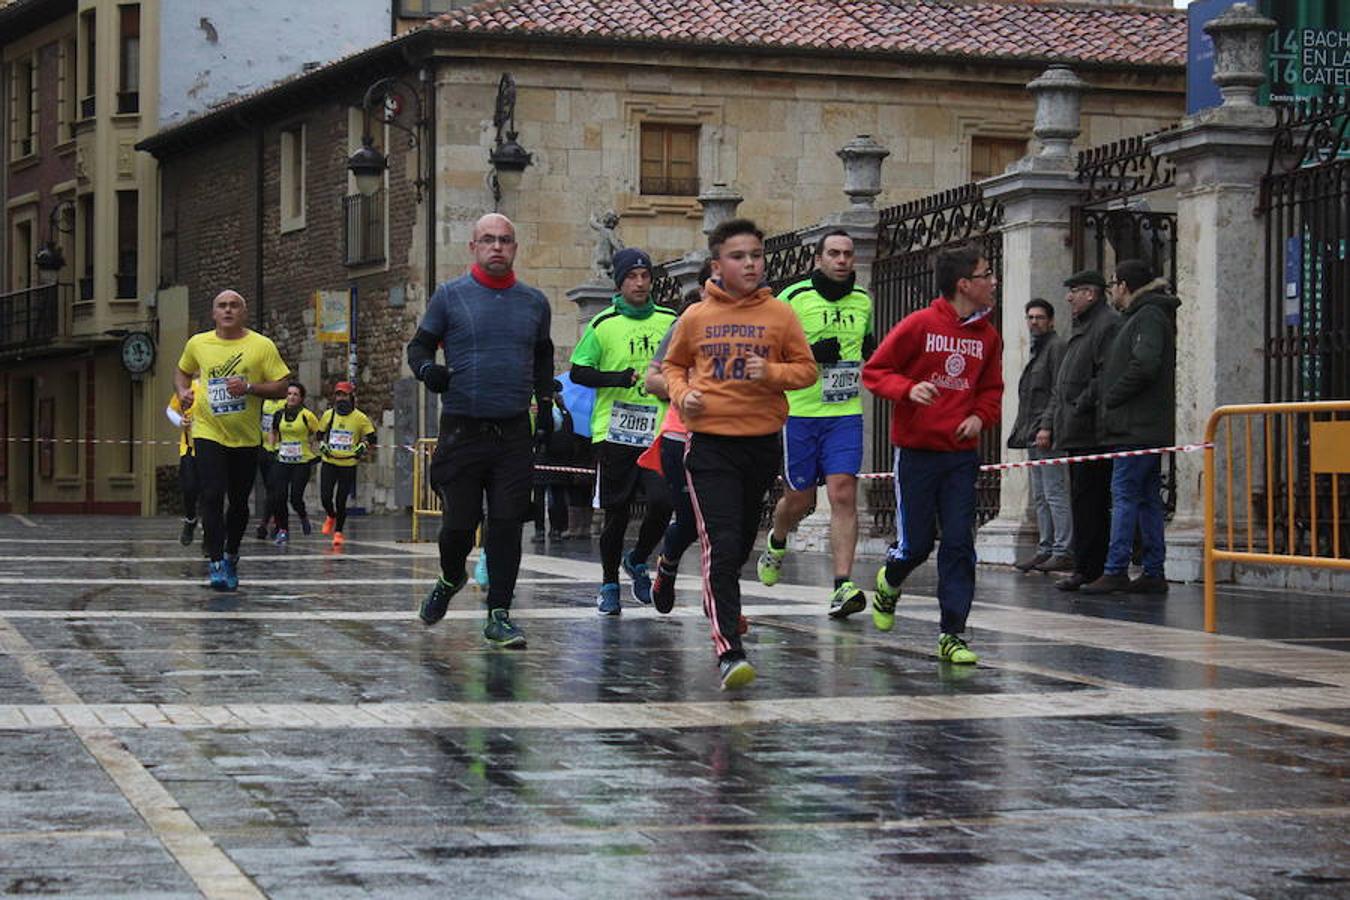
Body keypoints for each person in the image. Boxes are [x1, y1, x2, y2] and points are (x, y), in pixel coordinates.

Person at [662, 218, 817, 690]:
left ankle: (711, 603)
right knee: (722, 545)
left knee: (742, 542)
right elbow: (672, 365)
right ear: (717, 264)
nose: (750, 263)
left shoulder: (781, 315)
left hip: (760, 445)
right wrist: (681, 393)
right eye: (739, 256)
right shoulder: (695, 317)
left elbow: (807, 370)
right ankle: (729, 648)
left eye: (755, 255)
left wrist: (769, 372)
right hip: (710, 445)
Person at [407, 213, 553, 648]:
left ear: (515, 247)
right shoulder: (450, 296)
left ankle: (500, 614)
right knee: (459, 524)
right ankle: (451, 577)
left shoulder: (534, 303)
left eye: (505, 240)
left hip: (512, 432)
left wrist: (544, 405)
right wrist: (428, 369)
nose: (497, 247)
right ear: (472, 247)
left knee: (507, 523)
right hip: (462, 430)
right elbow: (418, 346)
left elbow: (543, 357)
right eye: (488, 240)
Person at [861, 242, 1003, 665]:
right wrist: (908, 389)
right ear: (964, 284)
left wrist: (980, 417)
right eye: (986, 274)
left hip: (960, 455)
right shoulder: (919, 325)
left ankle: (953, 633)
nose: (993, 281)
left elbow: (991, 389)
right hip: (917, 453)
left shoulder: (988, 335)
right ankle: (890, 579)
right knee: (917, 545)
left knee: (960, 543)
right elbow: (876, 372)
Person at [758, 230, 876, 618]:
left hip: (844, 413)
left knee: (843, 493)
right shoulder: (792, 299)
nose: (842, 260)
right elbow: (766, 354)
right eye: (834, 254)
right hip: (801, 414)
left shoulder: (863, 301)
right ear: (818, 259)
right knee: (801, 500)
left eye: (847, 254)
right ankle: (777, 540)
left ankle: (843, 584)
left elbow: (869, 346)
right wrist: (809, 355)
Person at [570, 247, 677, 615]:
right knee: (615, 512)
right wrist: (616, 378)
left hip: (659, 430)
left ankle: (638, 557)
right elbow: (578, 372)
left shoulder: (669, 320)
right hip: (614, 432)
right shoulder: (602, 324)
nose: (640, 283)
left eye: (646, 276)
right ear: (619, 282)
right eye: (632, 276)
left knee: (664, 502)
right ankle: (609, 583)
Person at [175, 289, 291, 590]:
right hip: (208, 431)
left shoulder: (261, 346)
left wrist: (250, 387)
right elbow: (182, 371)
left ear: (244, 312)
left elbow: (282, 385)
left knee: (238, 502)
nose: (228, 310)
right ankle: (215, 563)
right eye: (222, 306)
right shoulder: (198, 343)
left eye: (234, 306)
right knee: (211, 495)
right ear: (214, 313)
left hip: (245, 437)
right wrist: (183, 392)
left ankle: (231, 554)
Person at [1081, 259, 1178, 595]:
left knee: (1124, 495)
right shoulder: (1138, 317)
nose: (1112, 292)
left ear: (1123, 285)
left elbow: (1145, 364)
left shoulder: (1148, 316)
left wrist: (1112, 396)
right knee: (1147, 498)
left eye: (1112, 285)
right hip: (1139, 425)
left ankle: (1116, 568)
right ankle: (1153, 570)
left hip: (1136, 425)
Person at [1041, 270, 1121, 592]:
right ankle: (1084, 566)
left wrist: (1078, 406)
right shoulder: (1084, 327)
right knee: (1081, 500)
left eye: (1075, 291)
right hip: (1076, 428)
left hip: (1092, 429)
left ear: (1092, 293)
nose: (1069, 298)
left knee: (1092, 501)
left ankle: (1092, 568)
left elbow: (1104, 375)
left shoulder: (1106, 325)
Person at [641, 262, 711, 616]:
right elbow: (650, 379)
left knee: (724, 525)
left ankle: (723, 604)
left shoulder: (756, 323)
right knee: (689, 520)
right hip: (680, 434)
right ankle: (667, 565)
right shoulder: (684, 324)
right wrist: (683, 390)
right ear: (701, 289)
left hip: (731, 436)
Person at [1008, 298, 1072, 573]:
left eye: (1039, 318)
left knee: (1055, 492)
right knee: (1041, 496)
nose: (1034, 322)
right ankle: (1046, 548)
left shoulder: (1056, 348)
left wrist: (1047, 426)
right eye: (1030, 318)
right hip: (1033, 431)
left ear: (1051, 321)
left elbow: (1058, 391)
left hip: (1048, 432)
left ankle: (1063, 548)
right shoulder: (1039, 350)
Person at [316, 381, 375, 549]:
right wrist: (322, 445)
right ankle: (330, 515)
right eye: (338, 394)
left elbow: (371, 437)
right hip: (330, 462)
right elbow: (319, 434)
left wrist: (362, 446)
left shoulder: (360, 417)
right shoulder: (329, 415)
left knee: (341, 500)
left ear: (351, 397)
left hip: (348, 464)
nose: (341, 398)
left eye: (344, 395)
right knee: (326, 497)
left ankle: (338, 532)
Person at [267, 381, 320, 545]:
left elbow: (318, 434)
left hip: (301, 462)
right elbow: (273, 432)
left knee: (295, 498)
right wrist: (273, 448)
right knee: (278, 496)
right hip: (282, 460)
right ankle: (283, 530)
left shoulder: (307, 415)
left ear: (301, 398)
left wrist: (314, 451)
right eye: (289, 394)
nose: (291, 397)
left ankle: (303, 516)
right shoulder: (279, 414)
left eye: (295, 394)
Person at [531, 380, 579, 543]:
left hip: (542, 458)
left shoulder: (544, 412)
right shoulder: (565, 412)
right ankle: (556, 529)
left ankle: (539, 530)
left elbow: (537, 434)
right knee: (557, 496)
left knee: (539, 496)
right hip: (560, 461)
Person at [166, 379, 203, 546]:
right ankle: (190, 519)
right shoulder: (189, 387)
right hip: (189, 448)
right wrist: (180, 421)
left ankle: (210, 536)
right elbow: (170, 410)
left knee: (210, 493)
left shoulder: (219, 388)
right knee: (189, 488)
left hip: (213, 448)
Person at [254, 395, 285, 540]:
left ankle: (265, 523)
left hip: (280, 450)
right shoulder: (263, 401)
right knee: (270, 489)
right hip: (264, 449)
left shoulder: (286, 401)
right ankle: (278, 522)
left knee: (275, 488)